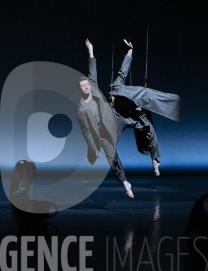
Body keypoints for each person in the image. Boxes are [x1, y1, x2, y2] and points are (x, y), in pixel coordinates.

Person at [109, 39, 182, 176]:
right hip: (136, 112)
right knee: (148, 129)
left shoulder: (115, 87)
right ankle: (155, 159)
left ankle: (155, 159)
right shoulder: (113, 111)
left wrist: (130, 51)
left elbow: (122, 71)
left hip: (141, 99)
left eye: (111, 100)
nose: (112, 102)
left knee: (151, 125)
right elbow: (118, 126)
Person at [76, 39, 134, 199]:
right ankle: (125, 183)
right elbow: (87, 131)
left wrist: (129, 52)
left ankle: (153, 154)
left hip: (119, 120)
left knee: (140, 121)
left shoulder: (110, 94)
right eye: (84, 87)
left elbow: (121, 74)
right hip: (104, 134)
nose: (87, 87)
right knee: (112, 157)